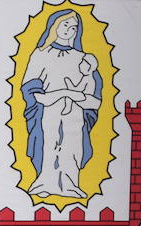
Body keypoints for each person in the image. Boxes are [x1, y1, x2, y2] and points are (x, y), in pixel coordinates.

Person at [22, 8, 102, 200]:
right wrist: (63, 93)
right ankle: (45, 182)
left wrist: (77, 94)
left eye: (73, 27)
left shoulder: (82, 58)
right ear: (55, 26)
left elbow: (94, 95)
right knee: (49, 144)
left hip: (75, 113)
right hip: (49, 110)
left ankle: (70, 184)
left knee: (72, 147)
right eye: (65, 24)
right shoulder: (40, 54)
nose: (69, 29)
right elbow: (31, 89)